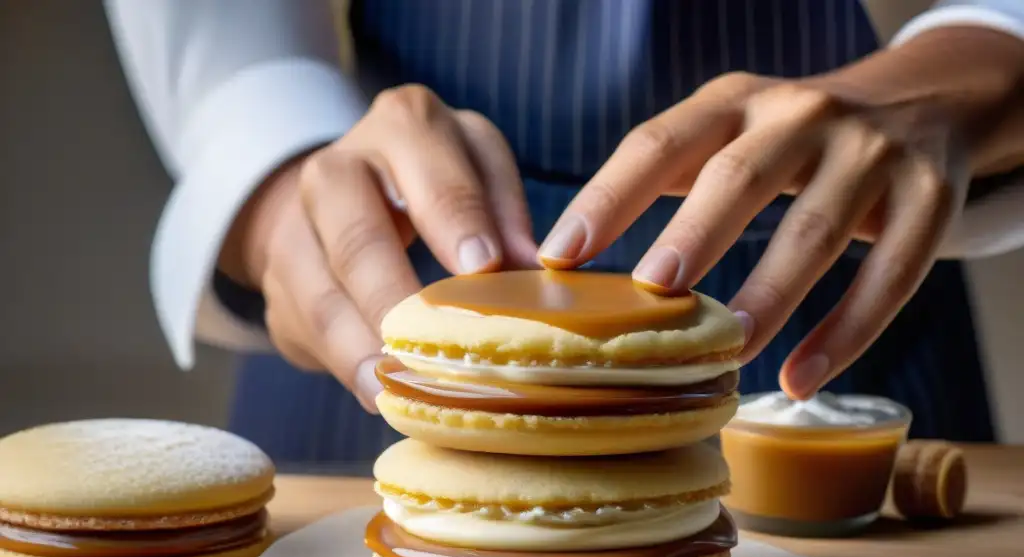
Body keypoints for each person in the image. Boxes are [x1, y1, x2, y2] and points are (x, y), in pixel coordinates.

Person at [104, 0, 1024, 465]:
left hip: (832, 337)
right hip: (375, 346)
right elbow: (229, 51)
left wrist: (976, 65)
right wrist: (279, 194)